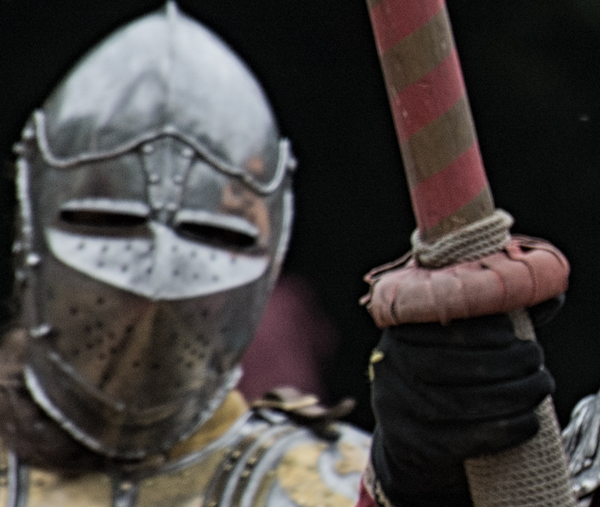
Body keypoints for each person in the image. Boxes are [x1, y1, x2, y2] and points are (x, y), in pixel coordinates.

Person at [0, 4, 370, 505]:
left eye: (209, 235)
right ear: (34, 228)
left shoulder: (338, 488)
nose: (157, 273)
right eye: (109, 223)